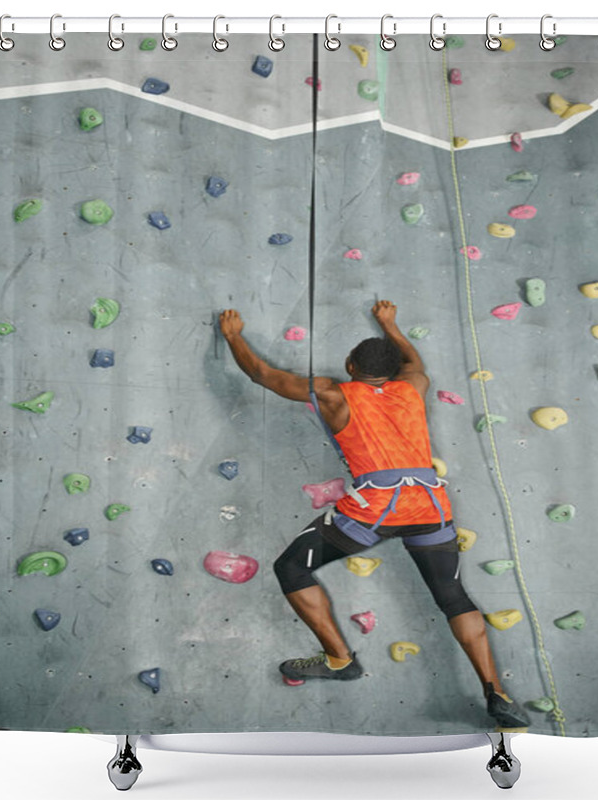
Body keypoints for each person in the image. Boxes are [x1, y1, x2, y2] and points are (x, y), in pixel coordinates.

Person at [219, 300, 530, 729]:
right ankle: (497, 691)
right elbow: (414, 361)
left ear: (350, 365)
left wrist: (233, 336)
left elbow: (264, 376)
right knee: (454, 598)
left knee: (290, 567)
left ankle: (338, 660)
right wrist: (391, 325)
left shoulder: (334, 393)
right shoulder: (413, 385)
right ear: (393, 371)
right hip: (430, 506)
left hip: (375, 512)